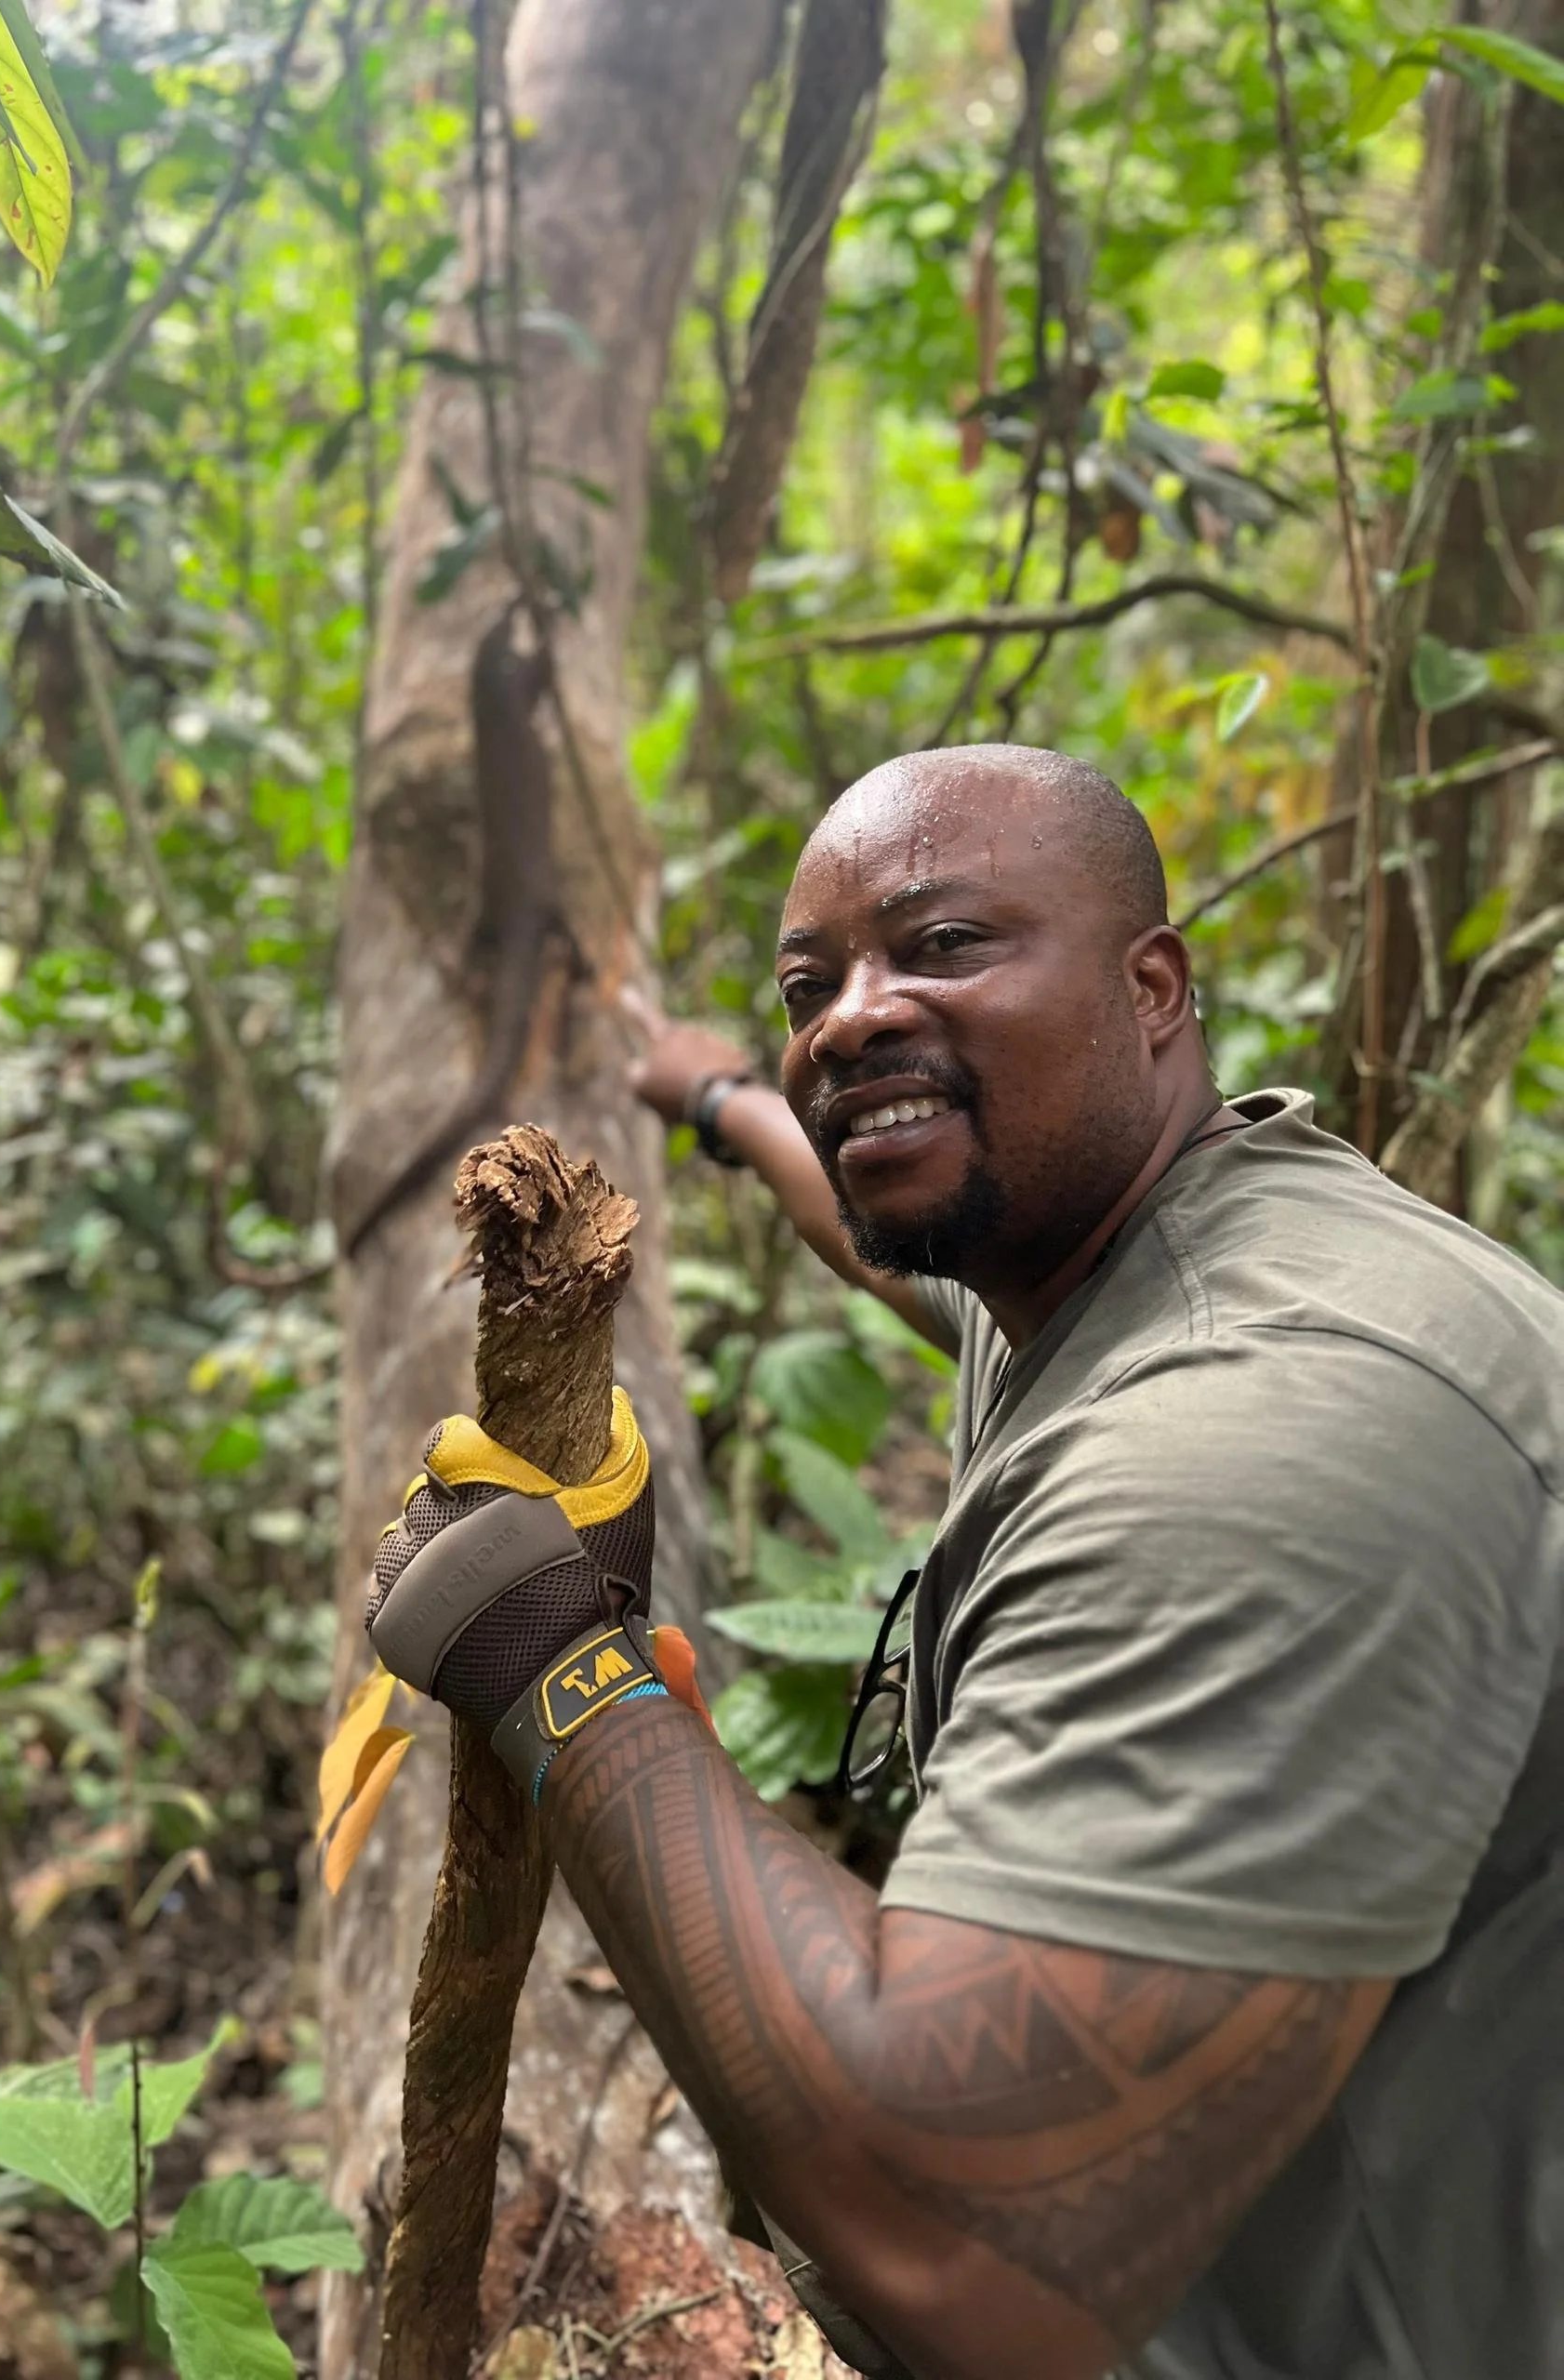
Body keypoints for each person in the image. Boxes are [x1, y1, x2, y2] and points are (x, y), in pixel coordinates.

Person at [364, 744, 1564, 2380]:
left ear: (1153, 989)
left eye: (943, 945)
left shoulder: (1265, 1435)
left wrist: (558, 1672)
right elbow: (880, 1246)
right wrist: (722, 1103)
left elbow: (966, 2245)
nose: (850, 1020)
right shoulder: (1092, 1247)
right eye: (811, 989)